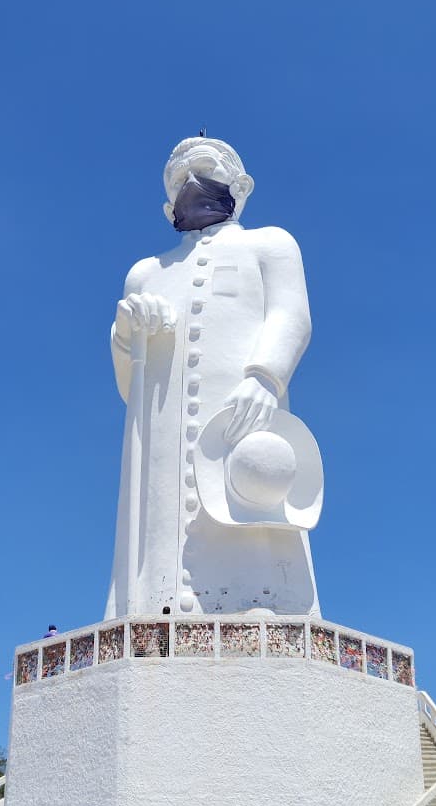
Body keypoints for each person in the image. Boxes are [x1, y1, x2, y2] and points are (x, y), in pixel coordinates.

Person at [105, 136, 320, 620]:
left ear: (241, 186)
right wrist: (126, 333)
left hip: (240, 411)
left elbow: (292, 317)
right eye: (177, 181)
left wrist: (265, 376)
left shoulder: (269, 243)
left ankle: (266, 603)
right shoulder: (146, 272)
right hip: (162, 433)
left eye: (201, 171)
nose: (190, 185)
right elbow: (127, 385)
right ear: (166, 207)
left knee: (252, 509)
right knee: (157, 527)